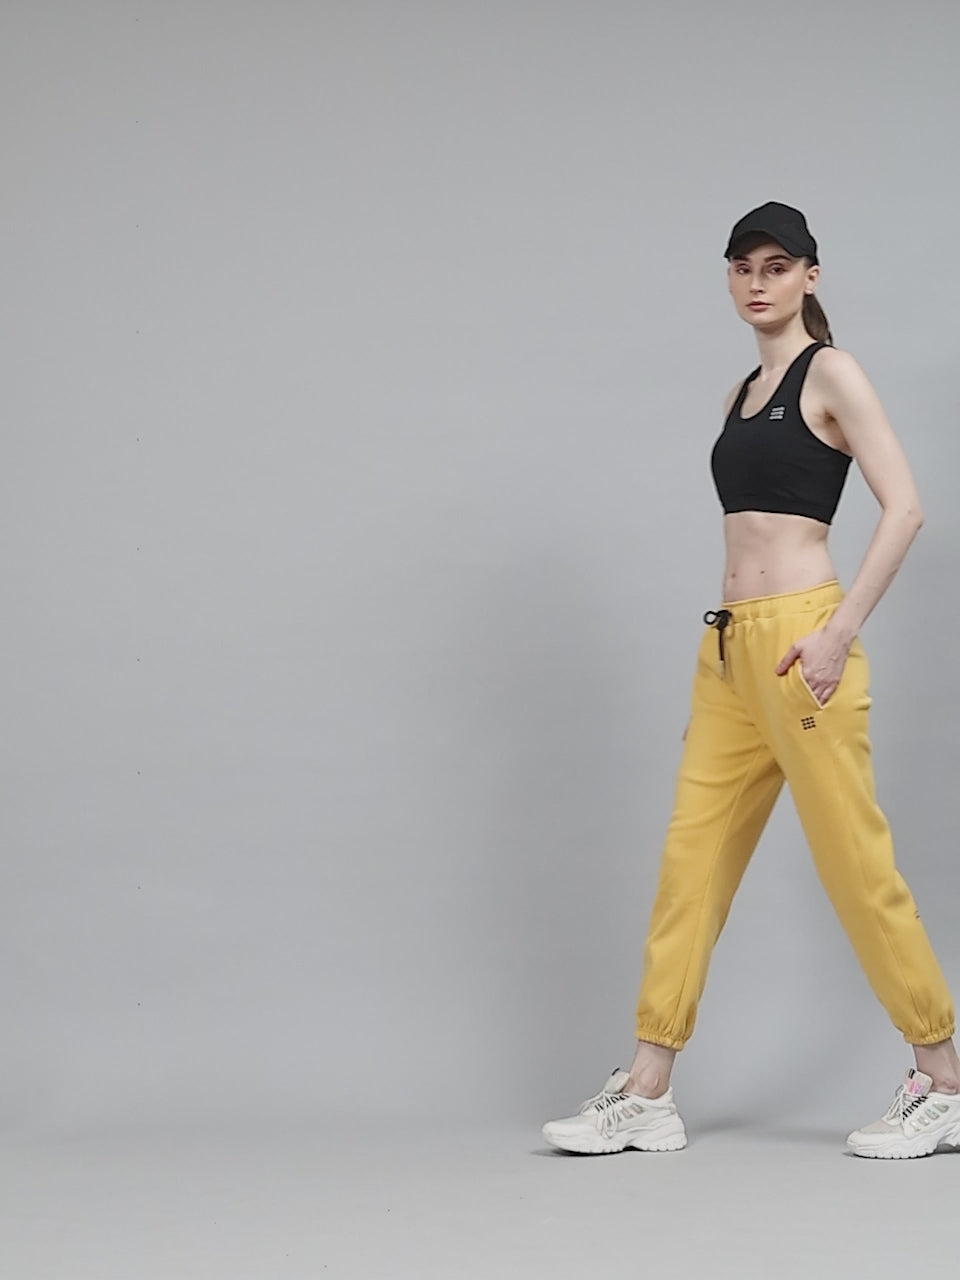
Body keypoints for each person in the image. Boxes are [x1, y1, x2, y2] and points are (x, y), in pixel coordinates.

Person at [542, 202, 960, 1160]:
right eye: (742, 268)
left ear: (811, 274)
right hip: (730, 652)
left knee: (855, 865)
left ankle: (944, 1081)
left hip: (804, 645)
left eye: (777, 266)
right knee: (690, 865)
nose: (758, 283)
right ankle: (648, 1088)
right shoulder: (741, 390)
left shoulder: (832, 372)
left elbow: (904, 508)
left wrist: (838, 634)